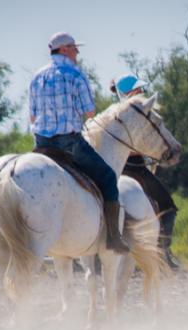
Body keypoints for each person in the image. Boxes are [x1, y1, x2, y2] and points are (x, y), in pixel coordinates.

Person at [29, 32, 130, 254]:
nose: (77, 52)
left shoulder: (37, 76)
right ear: (64, 49)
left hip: (42, 143)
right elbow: (90, 112)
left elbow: (32, 117)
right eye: (74, 47)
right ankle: (113, 236)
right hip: (70, 144)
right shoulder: (75, 74)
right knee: (108, 177)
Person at [110, 74, 180, 269]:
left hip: (115, 168)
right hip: (135, 168)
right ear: (128, 93)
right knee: (167, 206)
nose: (141, 92)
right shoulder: (136, 114)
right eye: (137, 89)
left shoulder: (113, 113)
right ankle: (162, 254)